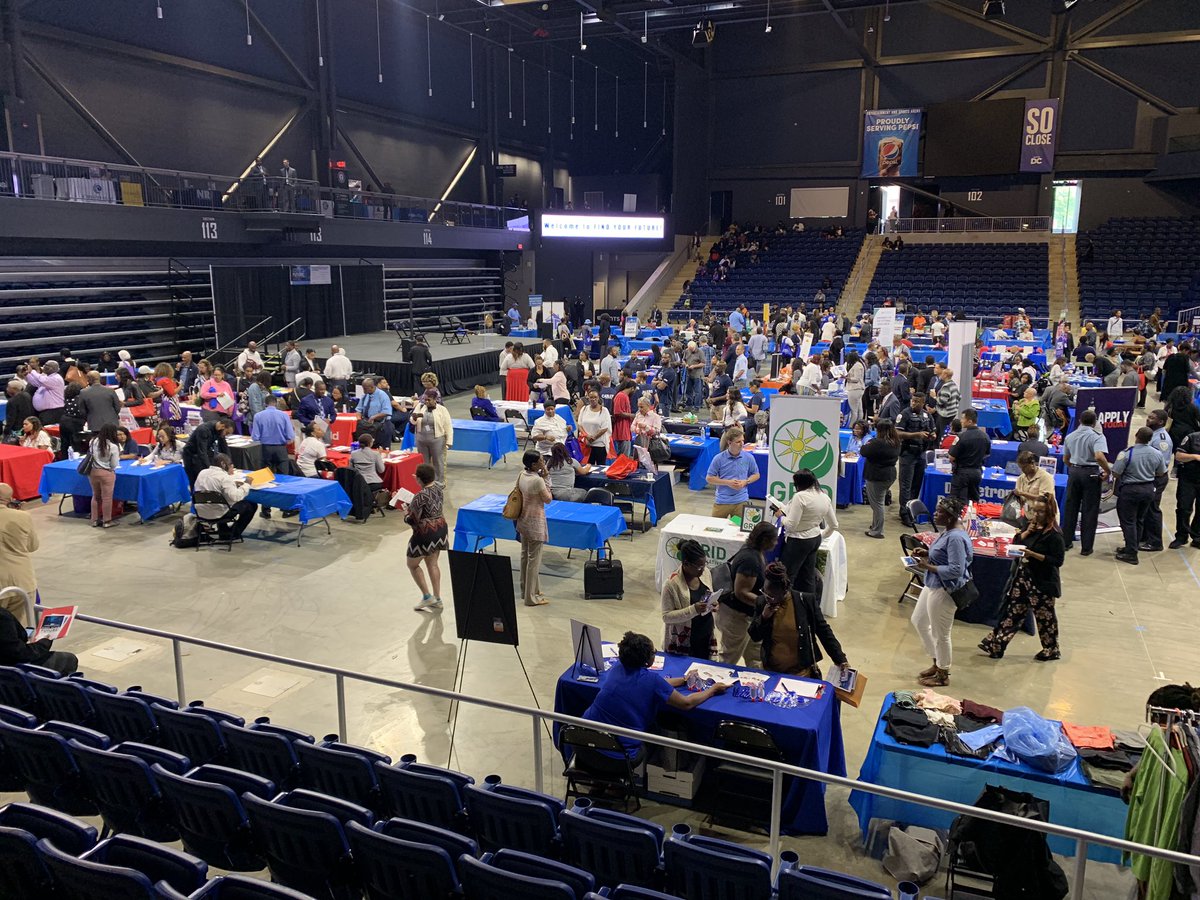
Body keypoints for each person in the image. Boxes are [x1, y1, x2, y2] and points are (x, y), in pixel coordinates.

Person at [580, 631, 727, 772]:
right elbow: (686, 703)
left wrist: (683, 680)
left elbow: (658, 684)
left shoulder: (617, 668)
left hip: (581, 745)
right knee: (646, 746)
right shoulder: (652, 681)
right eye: (653, 652)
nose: (655, 654)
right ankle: (615, 788)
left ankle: (599, 783)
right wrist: (712, 689)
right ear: (646, 659)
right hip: (616, 757)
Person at [979, 500, 1064, 661]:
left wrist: (1032, 555)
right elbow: (1016, 542)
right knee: (1012, 611)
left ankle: (1051, 649)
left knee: (1045, 618)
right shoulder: (1031, 525)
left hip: (1042, 583)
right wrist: (1026, 533)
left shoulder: (1054, 534)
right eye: (1034, 511)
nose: (1036, 515)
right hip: (1023, 577)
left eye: (1040, 512)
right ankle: (996, 644)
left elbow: (1057, 561)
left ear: (1049, 514)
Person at [909, 496, 972, 688]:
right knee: (919, 621)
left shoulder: (955, 538)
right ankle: (936, 660)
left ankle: (943, 673)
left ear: (951, 516)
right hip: (933, 583)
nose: (935, 514)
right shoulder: (948, 531)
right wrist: (926, 553)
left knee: (941, 633)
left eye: (940, 512)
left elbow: (956, 569)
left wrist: (928, 566)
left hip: (945, 589)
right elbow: (943, 555)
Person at [750, 561, 847, 678]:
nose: (767, 598)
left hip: (802, 674)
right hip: (772, 673)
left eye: (771, 596)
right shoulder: (762, 603)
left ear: (784, 590)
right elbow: (754, 636)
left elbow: (824, 632)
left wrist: (840, 659)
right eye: (764, 592)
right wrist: (764, 617)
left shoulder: (805, 601)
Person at [715, 521, 777, 666]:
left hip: (750, 616)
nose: (776, 542)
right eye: (774, 539)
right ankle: (719, 684)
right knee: (729, 657)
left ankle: (756, 684)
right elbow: (741, 592)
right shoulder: (750, 560)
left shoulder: (755, 552)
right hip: (736, 617)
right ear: (765, 540)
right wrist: (766, 602)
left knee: (755, 656)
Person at [1111, 426, 1168, 566]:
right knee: (1139, 520)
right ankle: (1132, 547)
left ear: (1136, 436)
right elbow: (1161, 472)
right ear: (1150, 439)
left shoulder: (1126, 453)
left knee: (1128, 521)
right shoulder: (1157, 454)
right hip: (1148, 489)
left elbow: (1116, 473)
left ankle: (1131, 553)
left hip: (1130, 490)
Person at [1061, 409, 1112, 555]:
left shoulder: (1070, 436)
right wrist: (1107, 471)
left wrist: (1074, 468)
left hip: (1074, 472)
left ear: (1079, 421)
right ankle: (1086, 547)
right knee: (1090, 510)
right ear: (1095, 422)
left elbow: (1065, 459)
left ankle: (1066, 542)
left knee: (1071, 508)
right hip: (1091, 474)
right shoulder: (1097, 436)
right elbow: (1099, 456)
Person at [780, 468, 838, 595]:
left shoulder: (800, 497)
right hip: (814, 539)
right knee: (808, 576)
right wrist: (821, 535)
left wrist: (781, 517)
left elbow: (791, 525)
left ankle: (784, 609)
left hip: (797, 541)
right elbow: (834, 525)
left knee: (786, 576)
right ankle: (810, 607)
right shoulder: (824, 496)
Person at [661, 539, 719, 659]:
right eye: (699, 567)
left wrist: (713, 604)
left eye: (705, 565)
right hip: (684, 639)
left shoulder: (705, 573)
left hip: (705, 633)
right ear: (686, 564)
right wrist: (693, 609)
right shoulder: (671, 584)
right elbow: (666, 616)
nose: (703, 570)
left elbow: (709, 594)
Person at [405, 463, 448, 612]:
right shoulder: (438, 488)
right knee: (433, 564)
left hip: (425, 533)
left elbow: (412, 519)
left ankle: (426, 596)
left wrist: (405, 512)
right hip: (440, 529)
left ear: (419, 479)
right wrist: (419, 478)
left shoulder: (419, 497)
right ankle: (437, 598)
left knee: (412, 564)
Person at [516, 450, 552, 607]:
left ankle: (527, 589)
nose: (543, 462)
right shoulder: (538, 481)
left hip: (523, 519)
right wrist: (546, 478)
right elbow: (548, 499)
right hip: (535, 522)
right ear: (533, 464)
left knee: (525, 555)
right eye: (541, 461)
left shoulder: (521, 475)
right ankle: (531, 597)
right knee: (534, 560)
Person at [194, 453, 258, 540]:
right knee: (251, 505)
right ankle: (233, 533)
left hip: (201, 511)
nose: (232, 467)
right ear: (223, 464)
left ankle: (224, 531)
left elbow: (211, 488)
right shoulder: (224, 477)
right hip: (218, 513)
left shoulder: (202, 472)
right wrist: (247, 484)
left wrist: (232, 484)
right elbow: (236, 497)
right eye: (231, 465)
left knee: (221, 500)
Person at [0, 483, 39, 625]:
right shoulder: (23, 517)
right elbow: (32, 546)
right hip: (22, 579)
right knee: (20, 630)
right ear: (10, 499)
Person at [0, 603, 77, 676]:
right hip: (13, 669)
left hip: (9, 662)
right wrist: (44, 642)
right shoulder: (3, 617)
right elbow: (18, 653)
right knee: (70, 659)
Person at [895, 392, 936, 525]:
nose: (914, 403)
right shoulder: (904, 414)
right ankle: (904, 513)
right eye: (913, 401)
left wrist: (932, 435)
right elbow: (897, 432)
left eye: (917, 402)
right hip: (908, 453)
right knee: (906, 485)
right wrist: (916, 434)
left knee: (916, 485)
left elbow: (933, 430)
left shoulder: (927, 415)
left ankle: (912, 509)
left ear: (923, 403)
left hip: (921, 454)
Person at [706, 426, 759, 518]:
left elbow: (756, 474)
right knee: (716, 529)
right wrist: (728, 482)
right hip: (722, 502)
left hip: (741, 501)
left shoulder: (748, 457)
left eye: (742, 441)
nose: (742, 444)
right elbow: (709, 478)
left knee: (738, 529)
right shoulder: (719, 458)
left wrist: (745, 482)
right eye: (738, 442)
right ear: (729, 442)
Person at [1142, 409, 1173, 552]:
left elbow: (1159, 462)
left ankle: (1155, 542)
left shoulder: (1161, 439)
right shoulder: (1152, 435)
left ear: (1160, 422)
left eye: (1152, 418)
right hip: (1148, 476)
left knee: (1153, 509)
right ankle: (1144, 537)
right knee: (1145, 508)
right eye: (1148, 417)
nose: (1148, 419)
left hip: (1156, 478)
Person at [409, 390, 453, 485]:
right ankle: (426, 482)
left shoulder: (442, 409)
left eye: (428, 400)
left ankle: (439, 482)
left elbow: (448, 426)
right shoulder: (420, 406)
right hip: (421, 440)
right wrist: (414, 418)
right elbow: (412, 421)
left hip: (437, 440)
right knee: (424, 463)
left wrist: (449, 441)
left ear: (435, 399)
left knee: (438, 462)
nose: (426, 402)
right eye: (425, 400)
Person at [947, 408, 990, 503]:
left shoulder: (962, 437)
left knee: (955, 502)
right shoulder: (985, 436)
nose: (961, 421)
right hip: (977, 473)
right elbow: (987, 454)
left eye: (963, 418)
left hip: (962, 473)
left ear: (970, 421)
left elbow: (951, 457)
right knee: (974, 501)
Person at [1171, 423, 1200, 549]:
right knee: (1183, 508)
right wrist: (1194, 456)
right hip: (1188, 480)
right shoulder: (1192, 438)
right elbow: (1178, 456)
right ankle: (1181, 536)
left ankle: (1197, 536)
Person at [250, 397, 294, 481]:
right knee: (283, 477)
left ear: (264, 404)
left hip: (265, 449)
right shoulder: (284, 415)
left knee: (266, 477)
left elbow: (255, 436)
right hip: (281, 448)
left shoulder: (258, 416)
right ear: (276, 403)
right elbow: (290, 435)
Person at [87, 423, 122, 528]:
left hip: (92, 472)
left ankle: (94, 520)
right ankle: (107, 521)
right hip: (106, 473)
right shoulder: (113, 447)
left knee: (96, 496)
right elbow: (114, 464)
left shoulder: (93, 441)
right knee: (107, 498)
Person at [182, 418, 230, 487]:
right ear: (222, 426)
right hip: (190, 455)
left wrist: (229, 463)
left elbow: (224, 447)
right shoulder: (204, 430)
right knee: (195, 481)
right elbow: (202, 451)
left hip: (202, 453)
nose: (226, 435)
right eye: (227, 432)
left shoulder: (219, 430)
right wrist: (210, 469)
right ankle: (194, 496)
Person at [1013, 450, 1057, 519]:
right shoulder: (1021, 478)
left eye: (1024, 467)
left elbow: (1045, 499)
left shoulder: (1046, 477)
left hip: (1046, 518)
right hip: (1029, 517)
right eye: (1020, 468)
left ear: (1032, 464)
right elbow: (1020, 499)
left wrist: (1022, 493)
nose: (1022, 470)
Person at [357, 378, 395, 449]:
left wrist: (374, 417)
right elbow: (359, 409)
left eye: (365, 388)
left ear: (372, 387)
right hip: (368, 426)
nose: (363, 390)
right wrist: (359, 419)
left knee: (382, 449)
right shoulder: (365, 396)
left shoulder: (382, 395)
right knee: (369, 449)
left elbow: (387, 411)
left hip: (382, 426)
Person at [25, 359, 65, 426]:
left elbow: (41, 379)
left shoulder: (56, 378)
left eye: (46, 365)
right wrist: (27, 374)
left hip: (53, 412)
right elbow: (36, 383)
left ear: (52, 368)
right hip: (46, 413)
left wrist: (32, 371)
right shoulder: (47, 377)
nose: (44, 366)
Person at [577, 390, 612, 466]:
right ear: (588, 398)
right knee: (587, 466)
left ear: (598, 398)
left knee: (601, 467)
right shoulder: (584, 409)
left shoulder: (604, 411)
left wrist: (594, 437)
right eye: (591, 397)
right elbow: (579, 425)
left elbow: (605, 428)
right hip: (586, 444)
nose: (593, 399)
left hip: (600, 445)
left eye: (595, 397)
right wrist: (586, 436)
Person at [611, 381, 635, 458]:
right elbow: (617, 412)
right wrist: (632, 415)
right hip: (622, 429)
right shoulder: (621, 396)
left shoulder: (624, 396)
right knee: (624, 456)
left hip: (625, 428)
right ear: (632, 388)